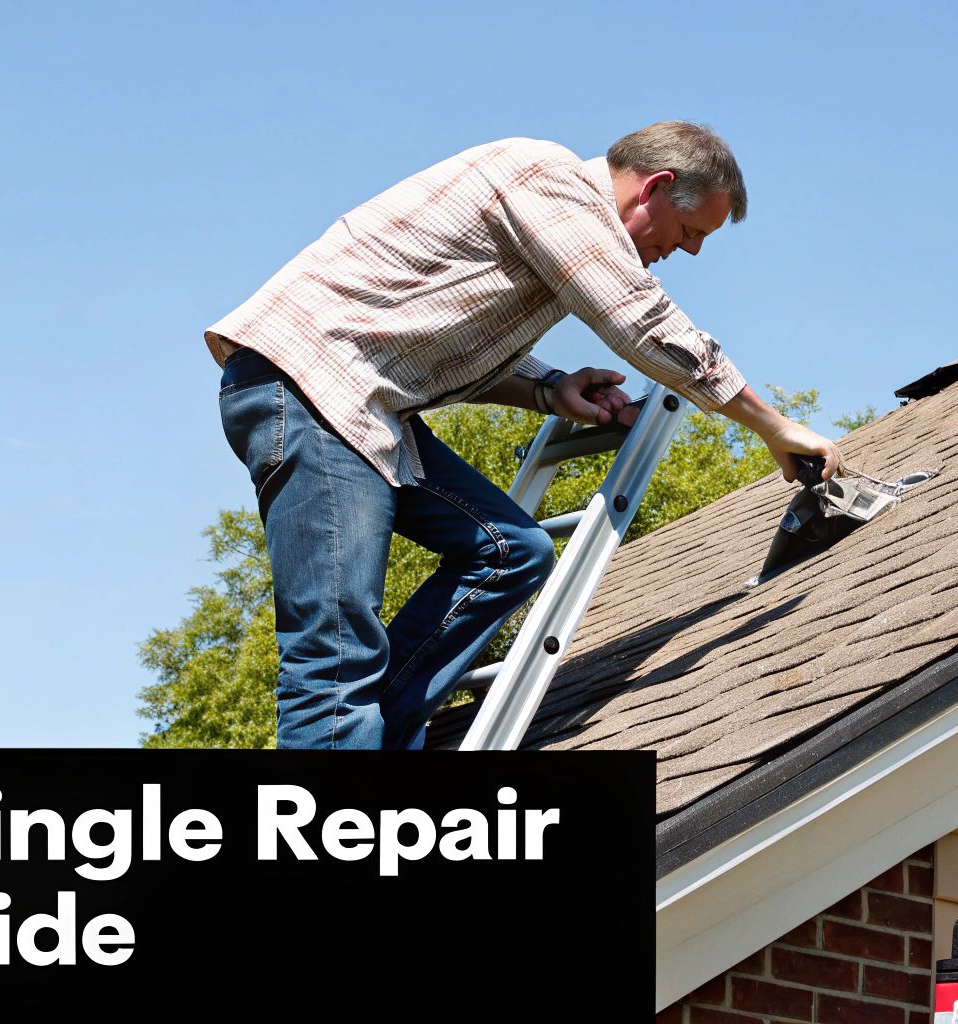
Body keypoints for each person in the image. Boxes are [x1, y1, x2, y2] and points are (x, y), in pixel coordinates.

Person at [206, 121, 842, 750]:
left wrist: (549, 388)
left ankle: (375, 738)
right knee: (336, 653)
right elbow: (641, 322)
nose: (689, 252)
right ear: (656, 187)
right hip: (311, 388)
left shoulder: (550, 221)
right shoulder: (548, 180)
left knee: (514, 550)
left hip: (368, 406)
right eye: (690, 232)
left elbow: (446, 349)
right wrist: (775, 427)